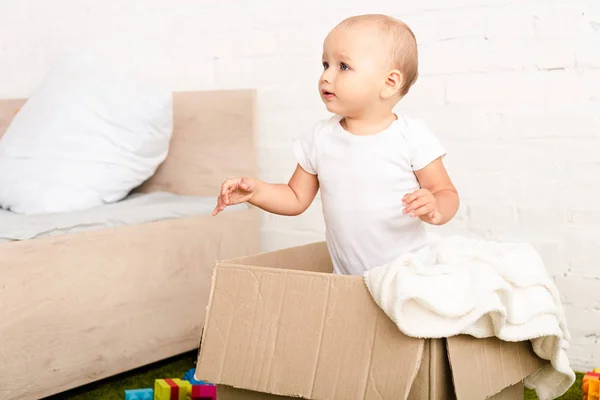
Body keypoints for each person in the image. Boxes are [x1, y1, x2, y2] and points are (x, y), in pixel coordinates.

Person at [213, 14, 459, 276]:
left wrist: (435, 206)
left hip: (407, 275)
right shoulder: (320, 138)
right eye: (325, 64)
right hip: (348, 278)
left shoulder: (411, 136)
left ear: (389, 83)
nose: (326, 76)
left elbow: (446, 193)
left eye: (343, 66)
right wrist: (256, 192)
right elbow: (295, 197)